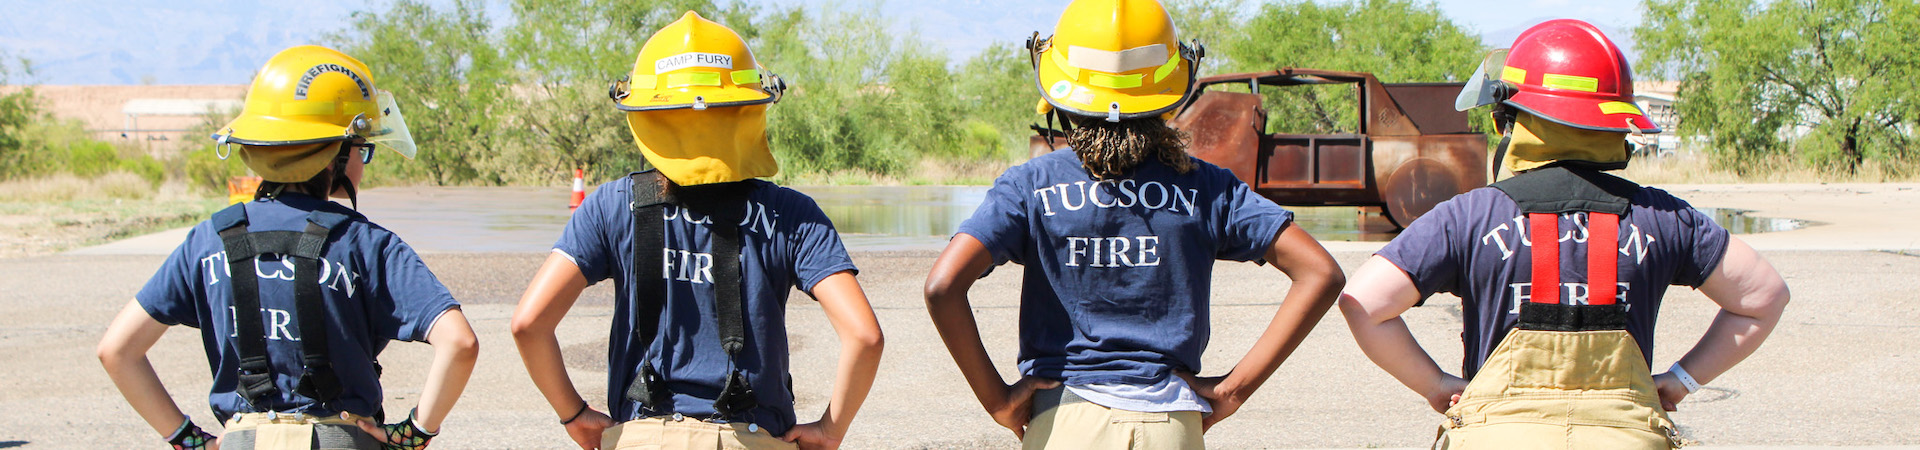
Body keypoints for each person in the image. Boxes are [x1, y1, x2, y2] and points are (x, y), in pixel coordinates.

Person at [1338, 19, 1791, 449]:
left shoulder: (1467, 216)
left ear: (1510, 121)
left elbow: (1365, 304)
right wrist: (1682, 379)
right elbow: (1763, 297)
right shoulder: (1665, 216)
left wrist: (1435, 384)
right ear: (1615, 124)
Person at [923, 1, 1346, 448]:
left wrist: (998, 400)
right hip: (1170, 426)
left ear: (1057, 84)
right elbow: (1321, 272)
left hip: (1064, 423)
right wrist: (1233, 390)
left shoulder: (1029, 185)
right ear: (1172, 84)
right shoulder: (1208, 187)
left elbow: (942, 286)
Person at [509, 11, 884, 450]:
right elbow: (865, 336)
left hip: (639, 437)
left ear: (648, 112)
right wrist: (830, 429)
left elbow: (528, 325)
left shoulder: (610, 206)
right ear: (750, 106)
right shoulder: (792, 213)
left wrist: (572, 413)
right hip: (752, 438)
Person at [97, 45, 479, 450]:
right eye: (362, 149)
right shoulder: (365, 242)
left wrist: (189, 441)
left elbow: (117, 351)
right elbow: (460, 343)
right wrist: (413, 435)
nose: (363, 163)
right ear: (337, 154)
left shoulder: (208, 240)